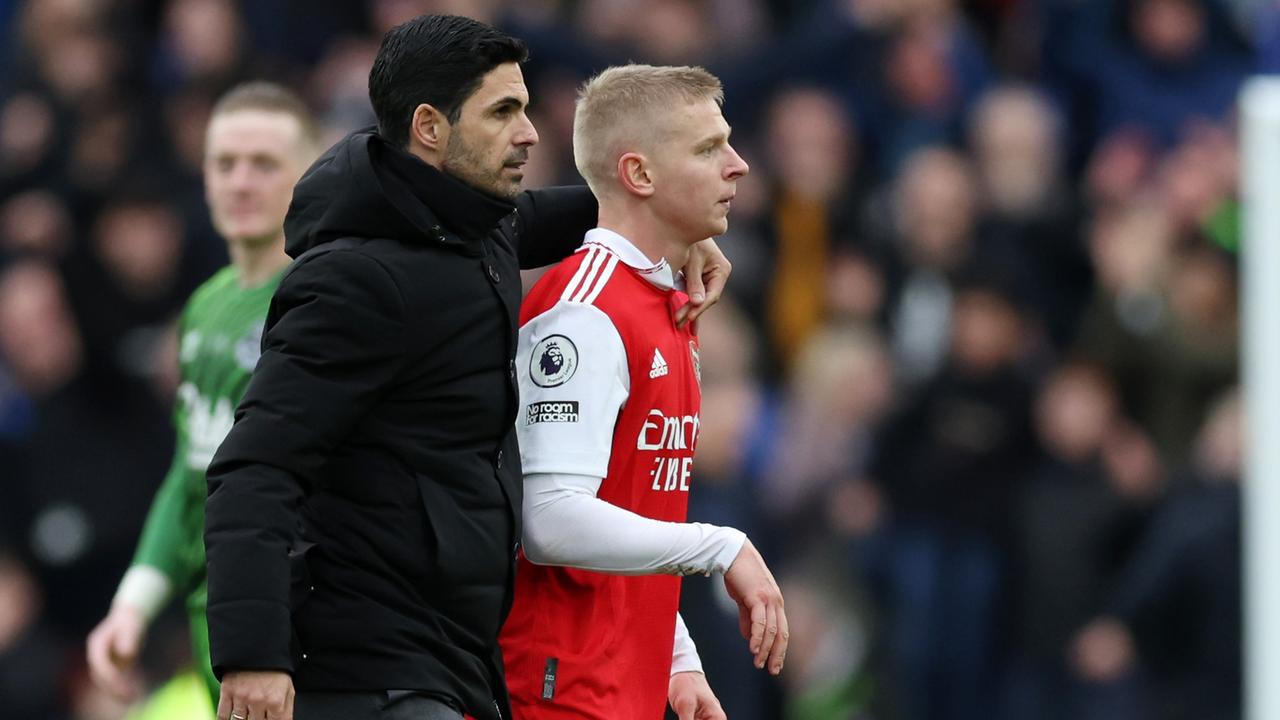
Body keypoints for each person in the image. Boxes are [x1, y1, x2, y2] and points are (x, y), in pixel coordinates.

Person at [203, 16, 732, 720]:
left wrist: (669, 229)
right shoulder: (355, 280)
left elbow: (568, 215)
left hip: (452, 657)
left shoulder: (474, 230)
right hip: (368, 669)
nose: (530, 132)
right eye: (502, 111)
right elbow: (256, 467)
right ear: (430, 127)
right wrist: (252, 654)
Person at [497, 64, 787, 720]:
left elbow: (633, 505)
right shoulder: (584, 311)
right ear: (640, 175)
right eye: (709, 148)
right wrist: (721, 545)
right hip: (554, 690)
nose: (738, 165)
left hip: (624, 684)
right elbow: (550, 518)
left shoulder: (670, 302)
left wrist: (676, 657)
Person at [84, 81, 321, 711]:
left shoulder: (325, 299)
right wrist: (131, 606)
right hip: (211, 626)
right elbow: (188, 473)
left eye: (264, 164)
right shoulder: (205, 306)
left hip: (296, 643)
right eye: (225, 163)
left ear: (308, 174)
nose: (241, 181)